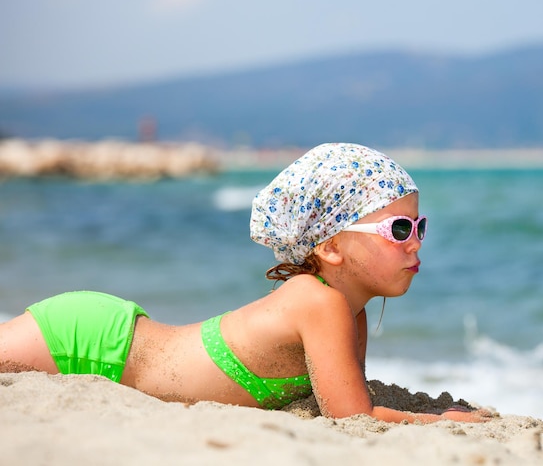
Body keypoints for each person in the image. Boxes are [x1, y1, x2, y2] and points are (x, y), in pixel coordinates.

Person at [0, 143, 489, 424]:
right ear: (331, 246)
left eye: (418, 227)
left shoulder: (348, 310)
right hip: (94, 342)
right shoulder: (318, 303)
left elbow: (346, 400)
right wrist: (438, 420)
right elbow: (350, 418)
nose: (415, 243)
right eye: (397, 230)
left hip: (116, 339)